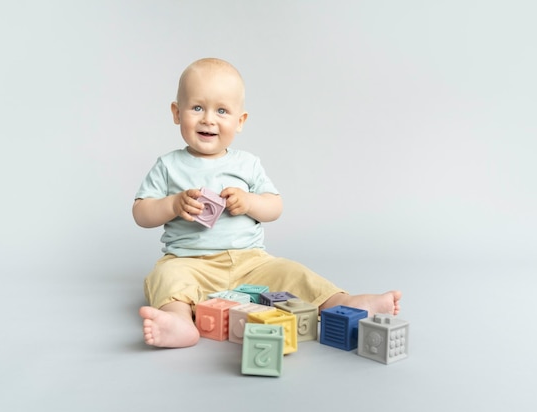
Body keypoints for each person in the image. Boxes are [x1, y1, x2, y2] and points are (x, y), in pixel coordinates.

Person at [133, 58, 401, 348]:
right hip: (190, 262)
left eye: (222, 110)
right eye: (197, 108)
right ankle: (180, 321)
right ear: (176, 112)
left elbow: (275, 206)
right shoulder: (169, 165)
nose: (208, 119)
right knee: (165, 275)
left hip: (251, 262)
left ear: (240, 121)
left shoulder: (247, 164)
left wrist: (248, 202)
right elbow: (141, 212)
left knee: (292, 272)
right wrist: (173, 205)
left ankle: (344, 302)